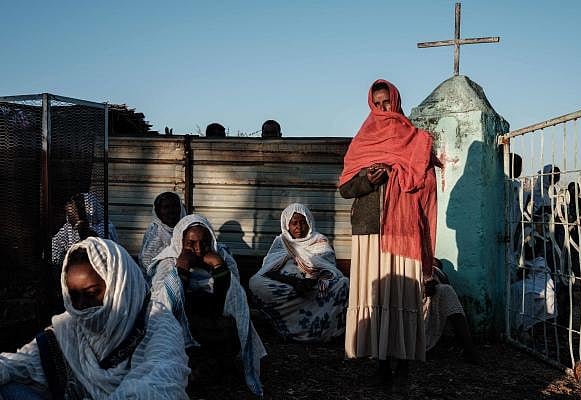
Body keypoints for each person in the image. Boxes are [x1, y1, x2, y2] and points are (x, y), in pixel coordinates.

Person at [0, 237, 190, 399]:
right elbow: (18, 363)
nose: (81, 306)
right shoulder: (70, 327)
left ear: (118, 286)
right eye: (74, 296)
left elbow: (160, 380)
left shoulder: (157, 322)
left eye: (92, 293)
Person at [339, 79, 438, 390]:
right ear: (371, 104)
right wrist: (368, 179)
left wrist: (402, 174)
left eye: (387, 102)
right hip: (369, 230)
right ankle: (380, 364)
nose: (383, 109)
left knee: (404, 295)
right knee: (378, 296)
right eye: (377, 104)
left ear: (395, 101)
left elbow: (426, 180)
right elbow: (345, 188)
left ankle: (404, 365)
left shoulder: (415, 138)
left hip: (405, 228)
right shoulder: (363, 139)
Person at [146, 214, 266, 396]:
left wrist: (218, 266)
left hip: (214, 315)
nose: (199, 250)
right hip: (182, 319)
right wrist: (183, 267)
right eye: (190, 244)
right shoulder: (168, 262)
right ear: (180, 241)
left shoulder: (223, 257)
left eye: (204, 243)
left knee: (228, 326)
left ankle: (220, 366)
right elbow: (163, 303)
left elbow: (232, 299)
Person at [249, 203, 349, 341]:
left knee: (343, 283)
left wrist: (310, 281)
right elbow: (268, 270)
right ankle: (284, 327)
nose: (299, 227)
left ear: (309, 222)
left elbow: (329, 269)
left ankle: (321, 330)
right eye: (294, 223)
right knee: (255, 282)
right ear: (286, 225)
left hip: (313, 286)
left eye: (303, 222)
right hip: (288, 284)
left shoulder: (320, 241)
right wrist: (294, 281)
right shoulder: (281, 242)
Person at [423, 258, 478, 363]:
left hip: (430, 306)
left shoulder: (440, 281)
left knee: (446, 291)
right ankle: (469, 348)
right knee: (446, 291)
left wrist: (433, 281)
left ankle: (469, 348)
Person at [51, 192, 119, 268]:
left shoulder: (106, 227)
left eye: (75, 212)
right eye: (69, 213)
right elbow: (54, 249)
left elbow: (100, 248)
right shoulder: (67, 228)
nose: (70, 216)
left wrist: (82, 227)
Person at [139, 192, 187, 270]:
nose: (171, 211)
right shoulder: (154, 232)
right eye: (166, 207)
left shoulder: (189, 230)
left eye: (175, 206)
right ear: (158, 211)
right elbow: (146, 262)